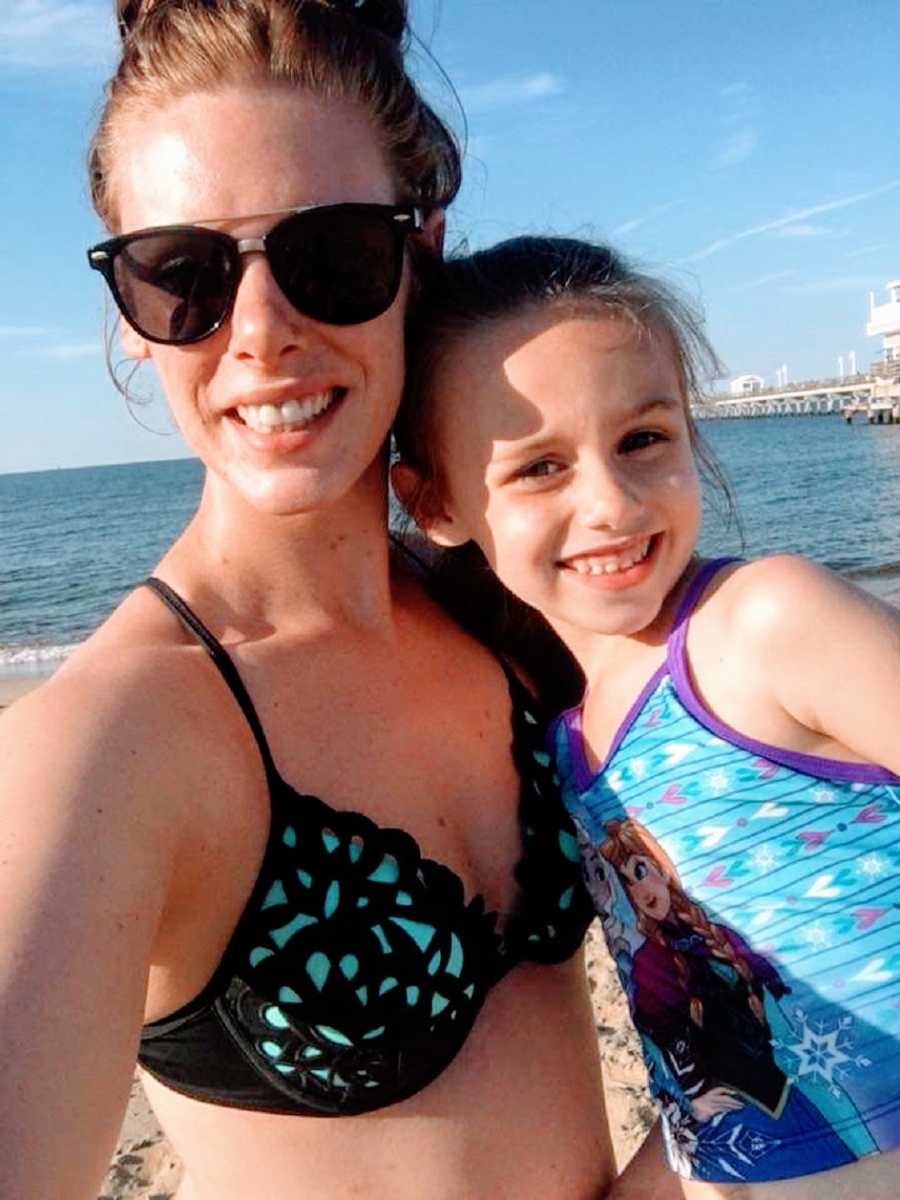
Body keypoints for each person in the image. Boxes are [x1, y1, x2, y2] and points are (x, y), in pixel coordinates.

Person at [0, 11, 616, 1199]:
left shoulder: (513, 616)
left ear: (419, 252)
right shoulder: (106, 748)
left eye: (330, 253)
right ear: (128, 317)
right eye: (183, 276)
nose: (266, 334)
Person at [393, 235, 900, 1196]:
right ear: (437, 501)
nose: (612, 503)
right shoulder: (569, 750)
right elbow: (704, 1070)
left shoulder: (762, 622)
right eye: (539, 468)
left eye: (643, 440)